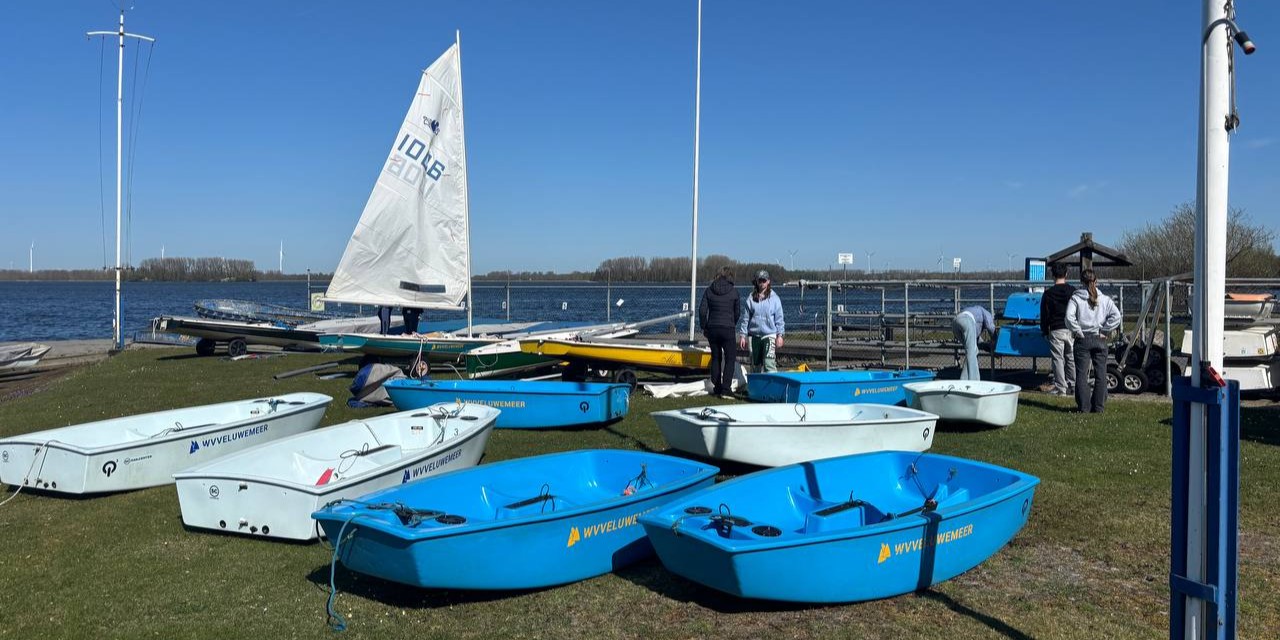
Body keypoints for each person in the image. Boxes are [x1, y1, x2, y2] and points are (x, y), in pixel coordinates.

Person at [1066, 269, 1122, 413]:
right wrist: (1105, 330)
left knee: (1082, 374)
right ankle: (1098, 407)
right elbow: (1116, 316)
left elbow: (1069, 317)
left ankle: (1084, 407)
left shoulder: (1076, 298)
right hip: (1099, 338)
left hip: (1083, 338)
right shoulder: (1105, 299)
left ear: (1081, 282)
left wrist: (1077, 331)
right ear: (1096, 281)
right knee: (1101, 374)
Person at [698, 266, 741, 396]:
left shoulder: (709, 291)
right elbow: (737, 312)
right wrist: (732, 323)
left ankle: (717, 387)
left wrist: (704, 326)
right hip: (728, 328)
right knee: (730, 358)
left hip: (713, 328)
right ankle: (726, 388)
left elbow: (702, 310)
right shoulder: (734, 292)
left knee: (716, 357)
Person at [1040, 262, 1077, 396]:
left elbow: (1044, 315)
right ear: (1066, 274)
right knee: (1071, 357)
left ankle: (1061, 388)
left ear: (1052, 275)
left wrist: (1044, 330)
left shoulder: (1048, 294)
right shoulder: (1073, 291)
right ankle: (1073, 384)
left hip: (1056, 329)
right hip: (1071, 328)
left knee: (1058, 359)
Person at [737, 270, 785, 374]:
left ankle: (773, 386)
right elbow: (746, 319)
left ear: (768, 281)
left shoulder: (775, 299)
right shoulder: (750, 298)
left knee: (769, 363)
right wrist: (742, 335)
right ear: (757, 282)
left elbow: (779, 319)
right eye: (760, 280)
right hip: (754, 336)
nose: (762, 283)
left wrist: (780, 335)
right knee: (755, 365)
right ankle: (756, 387)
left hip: (770, 335)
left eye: (764, 280)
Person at [952, 305, 995, 381]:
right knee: (971, 353)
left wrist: (986, 346)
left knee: (973, 351)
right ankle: (974, 381)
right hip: (967, 320)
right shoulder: (986, 313)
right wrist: (995, 340)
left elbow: (977, 341)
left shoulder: (973, 311)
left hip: (956, 322)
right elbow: (990, 327)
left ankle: (964, 379)